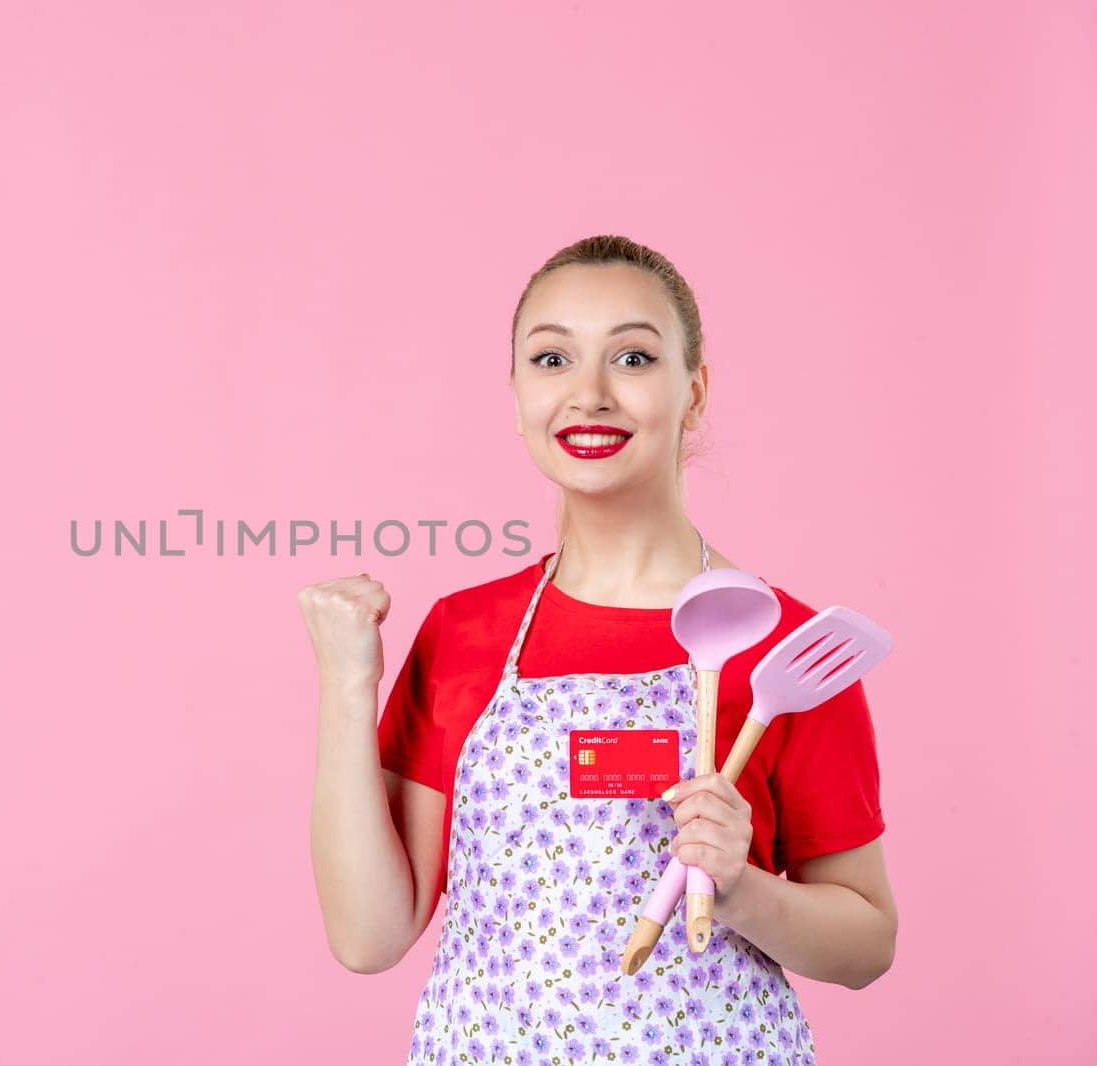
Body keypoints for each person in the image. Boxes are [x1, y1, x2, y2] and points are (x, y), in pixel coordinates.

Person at [299, 234, 897, 1064]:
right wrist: (345, 684)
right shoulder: (462, 633)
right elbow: (369, 937)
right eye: (551, 359)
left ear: (695, 392)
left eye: (633, 357)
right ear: (515, 395)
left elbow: (868, 943)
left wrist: (741, 889)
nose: (588, 394)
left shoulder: (786, 649)